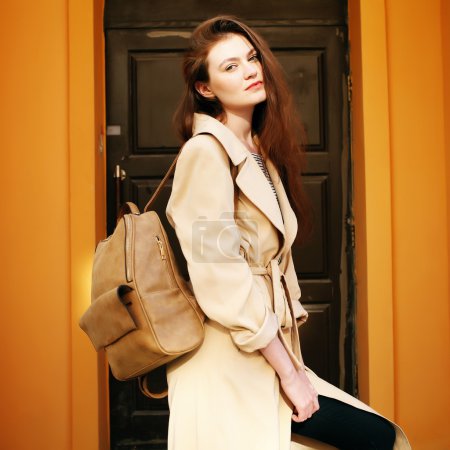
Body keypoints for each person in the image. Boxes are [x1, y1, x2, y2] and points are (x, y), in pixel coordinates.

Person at [165, 16, 410, 450]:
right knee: (377, 439)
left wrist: (289, 358)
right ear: (205, 89)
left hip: (265, 354)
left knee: (380, 437)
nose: (250, 70)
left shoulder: (257, 152)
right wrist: (290, 374)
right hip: (229, 363)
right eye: (230, 67)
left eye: (251, 58)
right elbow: (218, 275)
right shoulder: (206, 154)